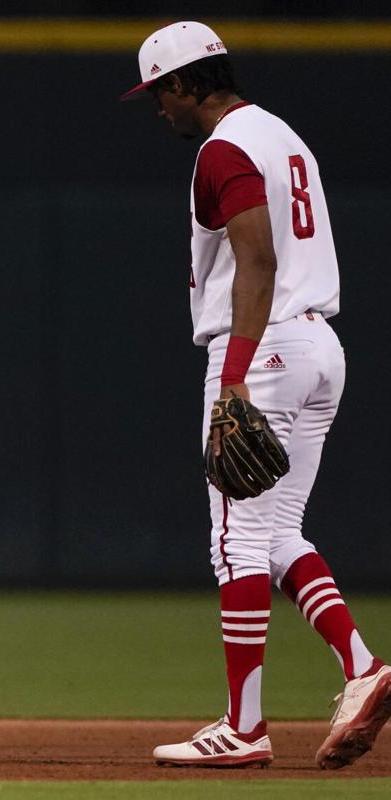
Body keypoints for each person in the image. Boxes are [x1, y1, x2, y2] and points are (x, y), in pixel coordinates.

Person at [122, 22, 390, 769]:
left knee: (234, 541)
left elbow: (257, 260)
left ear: (184, 85)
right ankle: (364, 669)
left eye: (160, 94)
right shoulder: (282, 135)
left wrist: (235, 375)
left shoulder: (225, 146)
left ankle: (244, 727)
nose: (159, 110)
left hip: (263, 347)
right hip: (318, 348)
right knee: (276, 536)